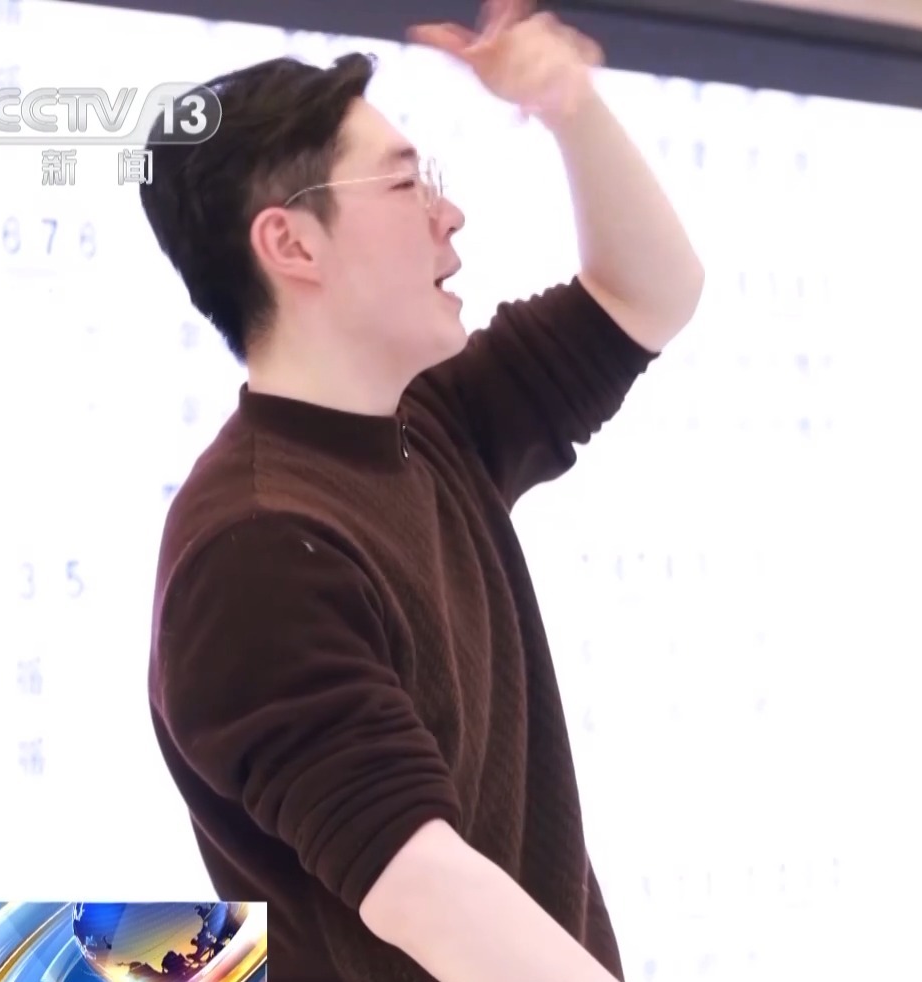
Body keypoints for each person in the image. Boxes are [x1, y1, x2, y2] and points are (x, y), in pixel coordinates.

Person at [138, 1, 704, 979]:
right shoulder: (256, 549)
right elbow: (429, 895)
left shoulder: (433, 418)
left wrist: (569, 107)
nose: (450, 216)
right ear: (292, 244)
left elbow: (647, 291)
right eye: (406, 185)